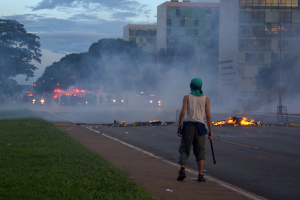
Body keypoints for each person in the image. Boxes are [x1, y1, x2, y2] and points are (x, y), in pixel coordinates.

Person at [177, 78, 213, 182]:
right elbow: (208, 116)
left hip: (188, 126)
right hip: (201, 127)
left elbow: (183, 113)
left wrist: (179, 127)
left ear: (191, 85)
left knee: (184, 149)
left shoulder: (187, 97)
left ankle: (182, 170)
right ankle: (201, 175)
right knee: (200, 151)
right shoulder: (206, 99)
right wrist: (210, 132)